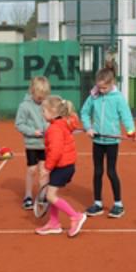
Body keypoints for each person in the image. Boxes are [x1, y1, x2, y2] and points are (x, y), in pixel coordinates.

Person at [80, 67, 136, 218]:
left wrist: (131, 131)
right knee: (97, 172)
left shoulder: (118, 98)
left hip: (112, 141)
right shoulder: (93, 96)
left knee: (111, 172)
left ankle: (118, 204)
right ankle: (97, 203)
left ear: (112, 83)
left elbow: (126, 116)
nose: (102, 90)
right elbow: (85, 113)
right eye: (99, 87)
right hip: (97, 140)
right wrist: (88, 127)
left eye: (104, 87)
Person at [37, 95, 87, 237]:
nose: (42, 114)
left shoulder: (54, 129)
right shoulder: (64, 122)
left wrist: (46, 168)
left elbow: (56, 151)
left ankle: (75, 216)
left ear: (53, 112)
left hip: (62, 166)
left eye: (44, 111)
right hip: (65, 165)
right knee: (52, 194)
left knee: (50, 195)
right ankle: (54, 223)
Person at [14, 76, 51, 210]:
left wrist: (50, 129)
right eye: (39, 96)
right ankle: (28, 195)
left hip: (45, 144)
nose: (41, 99)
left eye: (43, 96)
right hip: (32, 144)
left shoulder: (48, 104)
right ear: (32, 91)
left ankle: (42, 195)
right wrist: (32, 132)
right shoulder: (24, 106)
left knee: (44, 171)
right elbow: (19, 124)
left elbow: (52, 120)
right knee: (32, 169)